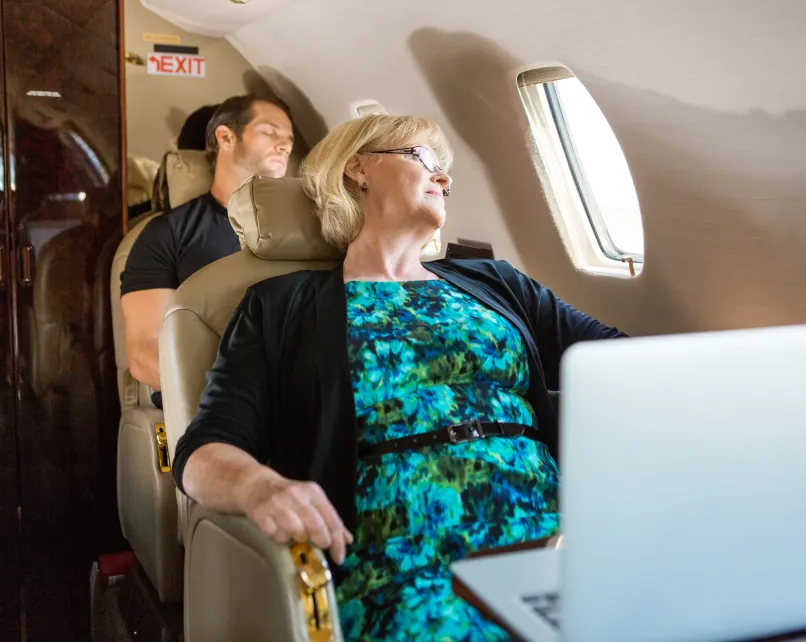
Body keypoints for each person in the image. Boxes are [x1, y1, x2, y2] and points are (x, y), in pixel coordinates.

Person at [172, 114, 627, 641]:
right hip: (404, 560)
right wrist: (259, 486)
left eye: (446, 171)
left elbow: (621, 363)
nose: (445, 179)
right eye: (425, 160)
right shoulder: (280, 306)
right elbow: (203, 450)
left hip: (561, 533)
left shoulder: (497, 283)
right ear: (358, 168)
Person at [120, 93, 294, 401]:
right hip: (215, 408)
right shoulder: (167, 234)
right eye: (270, 132)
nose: (285, 145)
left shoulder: (304, 229)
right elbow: (145, 353)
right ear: (226, 137)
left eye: (289, 139)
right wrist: (240, 397)